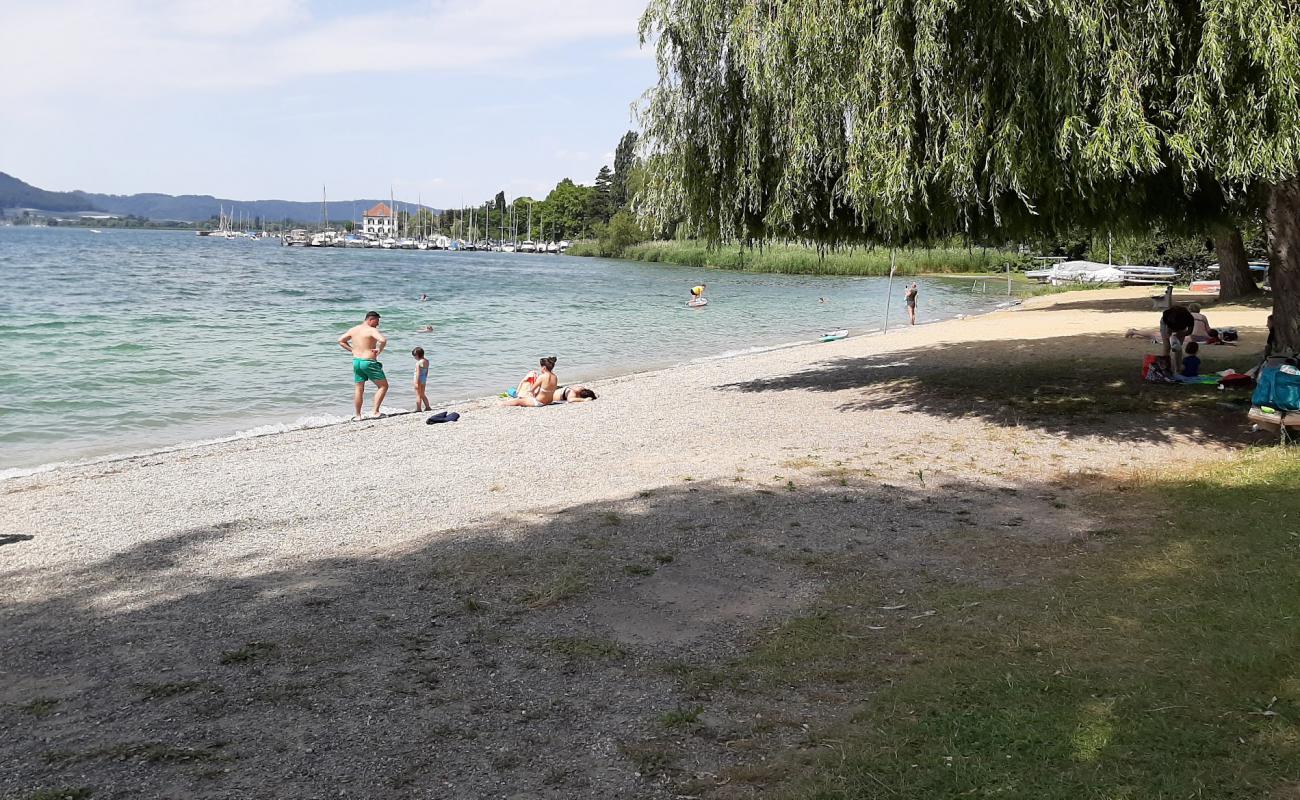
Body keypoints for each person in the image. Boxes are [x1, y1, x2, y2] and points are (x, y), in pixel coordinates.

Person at [338, 311, 389, 420]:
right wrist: (379, 350)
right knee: (383, 386)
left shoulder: (354, 329)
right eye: (377, 321)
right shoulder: (371, 330)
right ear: (370, 319)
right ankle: (375, 412)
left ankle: (358, 415)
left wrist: (352, 350)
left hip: (357, 361)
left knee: (359, 388)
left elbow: (341, 341)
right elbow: (383, 340)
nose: (378, 324)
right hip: (368, 362)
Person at [1160, 304, 1195, 372]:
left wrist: (1181, 334)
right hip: (1166, 324)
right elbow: (1168, 332)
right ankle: (1165, 367)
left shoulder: (1189, 318)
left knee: (1177, 347)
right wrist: (1171, 338)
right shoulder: (1167, 316)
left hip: (1181, 327)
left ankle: (1178, 367)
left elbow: (1189, 331)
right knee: (1167, 346)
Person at [412, 347, 431, 412]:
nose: (414, 358)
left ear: (417, 355)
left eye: (414, 356)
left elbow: (418, 373)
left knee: (418, 395)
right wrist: (425, 378)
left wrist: (417, 382)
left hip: (418, 379)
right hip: (424, 379)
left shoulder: (418, 363)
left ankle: (418, 408)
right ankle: (428, 407)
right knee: (422, 394)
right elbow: (426, 371)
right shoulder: (427, 361)